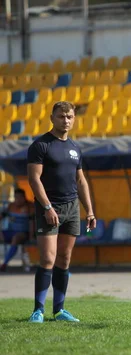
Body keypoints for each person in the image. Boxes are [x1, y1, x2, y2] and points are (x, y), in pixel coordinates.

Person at [26, 101, 96, 323]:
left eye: (69, 117)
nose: (66, 120)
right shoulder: (40, 145)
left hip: (71, 208)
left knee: (64, 259)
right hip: (49, 207)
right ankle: (38, 310)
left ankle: (59, 310)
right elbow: (34, 179)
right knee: (48, 259)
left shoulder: (75, 148)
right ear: (52, 117)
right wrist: (47, 207)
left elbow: (81, 181)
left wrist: (90, 211)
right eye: (61, 116)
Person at [0, 188, 34, 272]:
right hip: (10, 232)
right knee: (13, 237)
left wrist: (31, 236)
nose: (18, 200)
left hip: (23, 233)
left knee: (16, 238)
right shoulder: (11, 206)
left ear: (24, 198)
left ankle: (4, 263)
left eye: (20, 198)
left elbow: (32, 223)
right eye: (16, 198)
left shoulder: (30, 206)